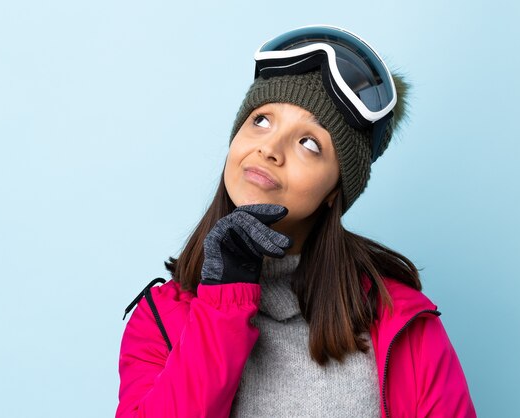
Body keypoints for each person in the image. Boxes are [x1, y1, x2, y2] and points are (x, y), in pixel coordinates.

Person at [115, 25, 477, 418]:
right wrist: (225, 302)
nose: (269, 148)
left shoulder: (404, 323)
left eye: (309, 143)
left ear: (334, 192)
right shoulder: (161, 318)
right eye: (261, 121)